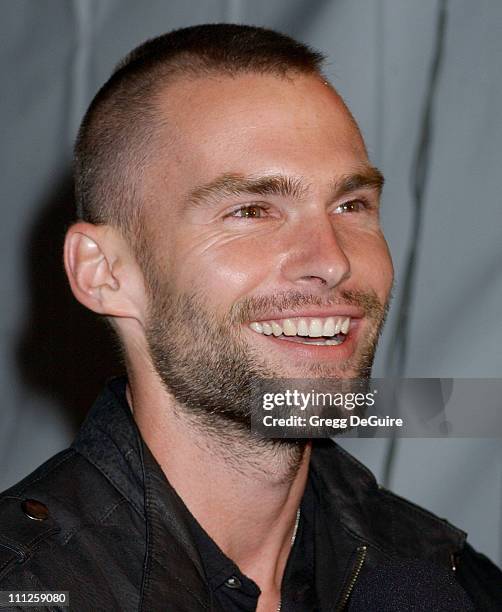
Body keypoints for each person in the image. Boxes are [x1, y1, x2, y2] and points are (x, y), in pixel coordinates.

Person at [0, 23, 500, 611]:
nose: (332, 261)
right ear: (105, 272)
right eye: (253, 210)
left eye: (351, 204)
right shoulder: (32, 587)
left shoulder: (443, 580)